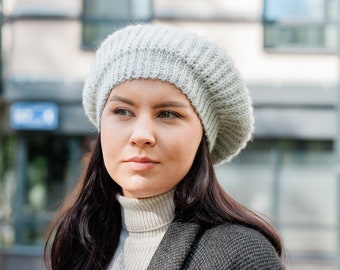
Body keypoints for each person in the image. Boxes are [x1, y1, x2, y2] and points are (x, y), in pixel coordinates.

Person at [44, 24, 285, 270]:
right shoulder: (79, 241)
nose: (142, 135)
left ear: (203, 135)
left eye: (167, 114)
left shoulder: (241, 256)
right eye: (123, 111)